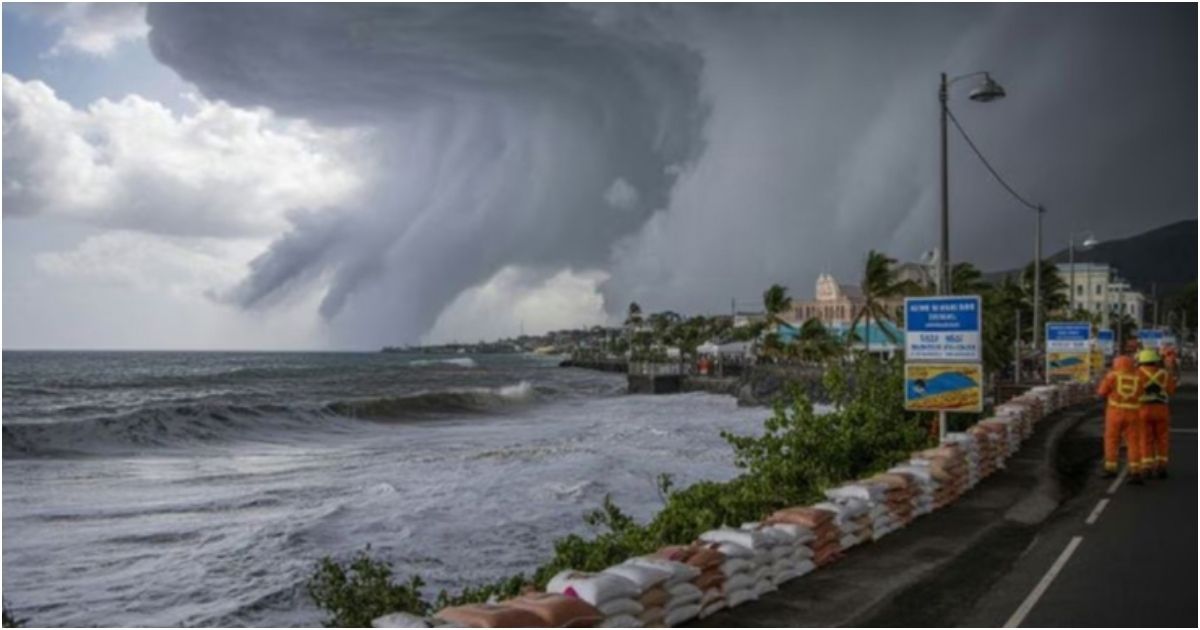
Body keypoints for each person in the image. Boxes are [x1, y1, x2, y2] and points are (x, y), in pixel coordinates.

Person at [1096, 355, 1143, 480]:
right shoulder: (1138, 378)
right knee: (1133, 443)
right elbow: (1142, 394)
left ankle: (1110, 469)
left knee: (1111, 441)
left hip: (1114, 414)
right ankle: (1135, 471)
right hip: (1133, 414)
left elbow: (1101, 393)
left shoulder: (1112, 376)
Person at [1137, 348, 1176, 479]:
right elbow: (1171, 391)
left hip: (1143, 410)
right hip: (1161, 410)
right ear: (1155, 361)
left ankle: (1147, 466)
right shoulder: (1164, 374)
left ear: (1141, 361)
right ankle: (1162, 466)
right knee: (1162, 439)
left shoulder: (1137, 373)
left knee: (1145, 438)